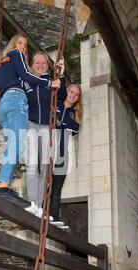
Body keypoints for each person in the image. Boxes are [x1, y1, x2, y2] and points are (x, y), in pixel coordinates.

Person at [0, 34, 61, 210]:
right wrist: (50, 82)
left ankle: (5, 185)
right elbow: (26, 75)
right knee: (17, 144)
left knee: (14, 147)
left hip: (4, 106)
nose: (23, 47)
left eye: (25, 45)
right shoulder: (16, 55)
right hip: (16, 100)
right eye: (20, 43)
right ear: (13, 45)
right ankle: (3, 187)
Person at [24, 52, 67, 217]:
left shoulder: (52, 81)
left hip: (47, 127)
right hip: (31, 124)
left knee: (45, 168)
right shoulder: (27, 81)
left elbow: (62, 96)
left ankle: (39, 205)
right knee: (32, 165)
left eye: (43, 63)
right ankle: (33, 203)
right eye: (37, 63)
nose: (40, 65)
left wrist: (61, 76)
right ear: (32, 65)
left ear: (47, 65)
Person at [50, 84, 83, 229]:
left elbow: (74, 129)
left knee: (57, 187)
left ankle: (54, 217)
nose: (73, 96)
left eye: (76, 95)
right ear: (67, 92)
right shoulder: (55, 104)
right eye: (71, 92)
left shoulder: (75, 113)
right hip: (49, 147)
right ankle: (40, 212)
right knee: (44, 183)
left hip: (63, 151)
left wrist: (60, 123)